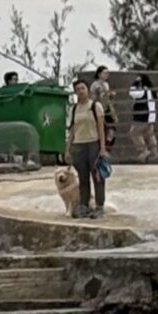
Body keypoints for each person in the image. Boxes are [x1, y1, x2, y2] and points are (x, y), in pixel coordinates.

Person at [68, 78, 110, 218]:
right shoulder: (74, 109)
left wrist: (102, 148)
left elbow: (101, 128)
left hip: (93, 144)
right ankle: (84, 205)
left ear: (87, 90)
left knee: (97, 177)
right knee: (83, 177)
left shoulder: (95, 106)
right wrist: (67, 148)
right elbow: (72, 130)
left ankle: (99, 206)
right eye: (78, 89)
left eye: (83, 88)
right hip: (79, 145)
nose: (80, 91)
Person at [128, 74, 158, 161]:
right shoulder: (151, 91)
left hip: (143, 116)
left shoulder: (143, 92)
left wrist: (135, 82)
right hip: (151, 116)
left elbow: (131, 93)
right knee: (149, 134)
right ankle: (154, 153)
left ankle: (144, 150)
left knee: (134, 133)